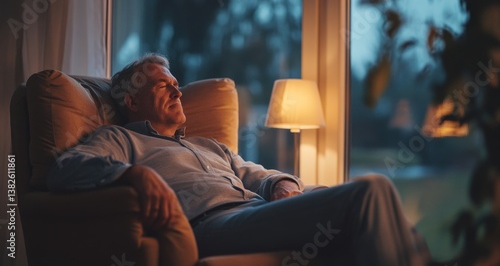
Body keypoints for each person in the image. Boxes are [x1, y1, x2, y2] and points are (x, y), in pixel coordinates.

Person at [48, 53, 430, 266]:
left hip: (256, 211)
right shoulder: (120, 139)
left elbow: (257, 173)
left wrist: (281, 183)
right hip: (211, 226)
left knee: (379, 220)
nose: (178, 92)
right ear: (131, 100)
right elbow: (64, 168)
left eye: (178, 85)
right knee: (370, 191)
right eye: (165, 85)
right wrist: (132, 175)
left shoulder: (210, 145)